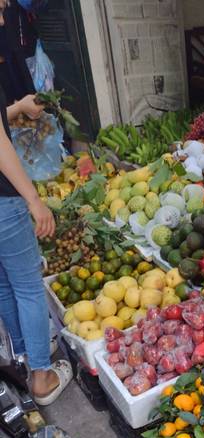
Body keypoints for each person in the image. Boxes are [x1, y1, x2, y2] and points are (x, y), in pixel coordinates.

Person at [0, 0, 72, 405]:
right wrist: (33, 199)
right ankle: (42, 379)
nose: (4, 11)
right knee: (28, 287)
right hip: (2, 198)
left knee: (4, 284)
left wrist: (15, 110)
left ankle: (26, 358)